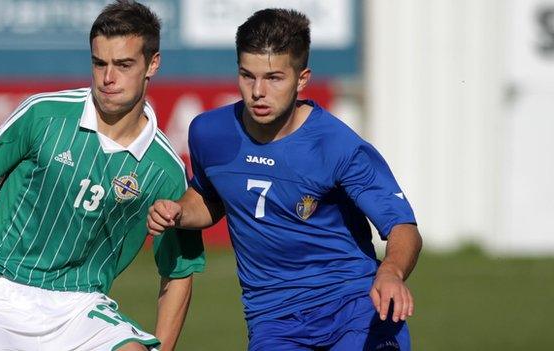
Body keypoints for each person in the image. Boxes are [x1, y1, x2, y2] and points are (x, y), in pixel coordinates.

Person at [147, 8, 422, 351]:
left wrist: (391, 272)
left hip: (354, 309)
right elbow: (209, 199)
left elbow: (402, 226)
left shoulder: (337, 146)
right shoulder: (209, 133)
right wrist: (179, 212)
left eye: (274, 77)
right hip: (272, 321)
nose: (258, 91)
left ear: (302, 79)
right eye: (248, 76)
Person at [0, 1, 205, 350]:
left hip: (80, 306)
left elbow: (179, 270)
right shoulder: (44, 115)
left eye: (123, 65)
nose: (108, 78)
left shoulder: (164, 169)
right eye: (99, 63)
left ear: (152, 64)